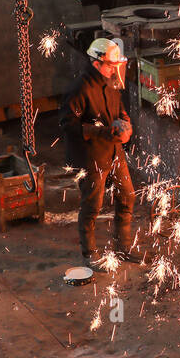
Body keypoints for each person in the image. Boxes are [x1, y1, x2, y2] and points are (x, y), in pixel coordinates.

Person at [61, 37, 139, 267]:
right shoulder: (79, 90)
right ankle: (89, 254)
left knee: (127, 195)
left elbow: (121, 111)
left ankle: (122, 247)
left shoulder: (111, 82)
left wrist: (126, 126)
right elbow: (67, 124)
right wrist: (102, 132)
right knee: (92, 205)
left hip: (114, 152)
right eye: (111, 65)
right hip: (91, 157)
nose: (115, 70)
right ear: (96, 63)